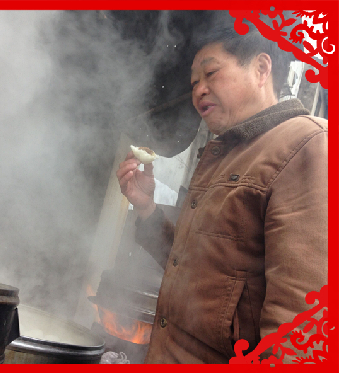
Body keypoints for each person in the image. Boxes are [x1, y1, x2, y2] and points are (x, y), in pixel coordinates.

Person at [116, 26, 328, 364]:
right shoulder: (223, 152)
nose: (199, 90)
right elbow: (191, 265)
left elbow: (301, 324)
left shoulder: (307, 144)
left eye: (211, 73)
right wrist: (146, 209)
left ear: (261, 69)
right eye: (193, 82)